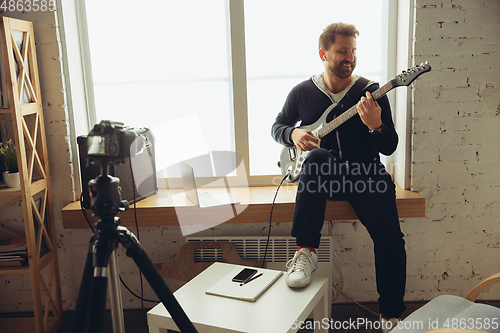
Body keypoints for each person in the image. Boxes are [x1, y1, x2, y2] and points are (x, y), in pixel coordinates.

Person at [271, 22, 406, 331]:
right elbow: (277, 126)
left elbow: (390, 146)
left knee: (391, 241)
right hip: (326, 178)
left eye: (353, 51)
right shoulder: (303, 93)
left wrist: (376, 126)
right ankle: (306, 252)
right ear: (324, 53)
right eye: (343, 51)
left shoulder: (371, 92)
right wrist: (293, 133)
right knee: (317, 156)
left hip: (366, 175)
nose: (350, 57)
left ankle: (390, 316)